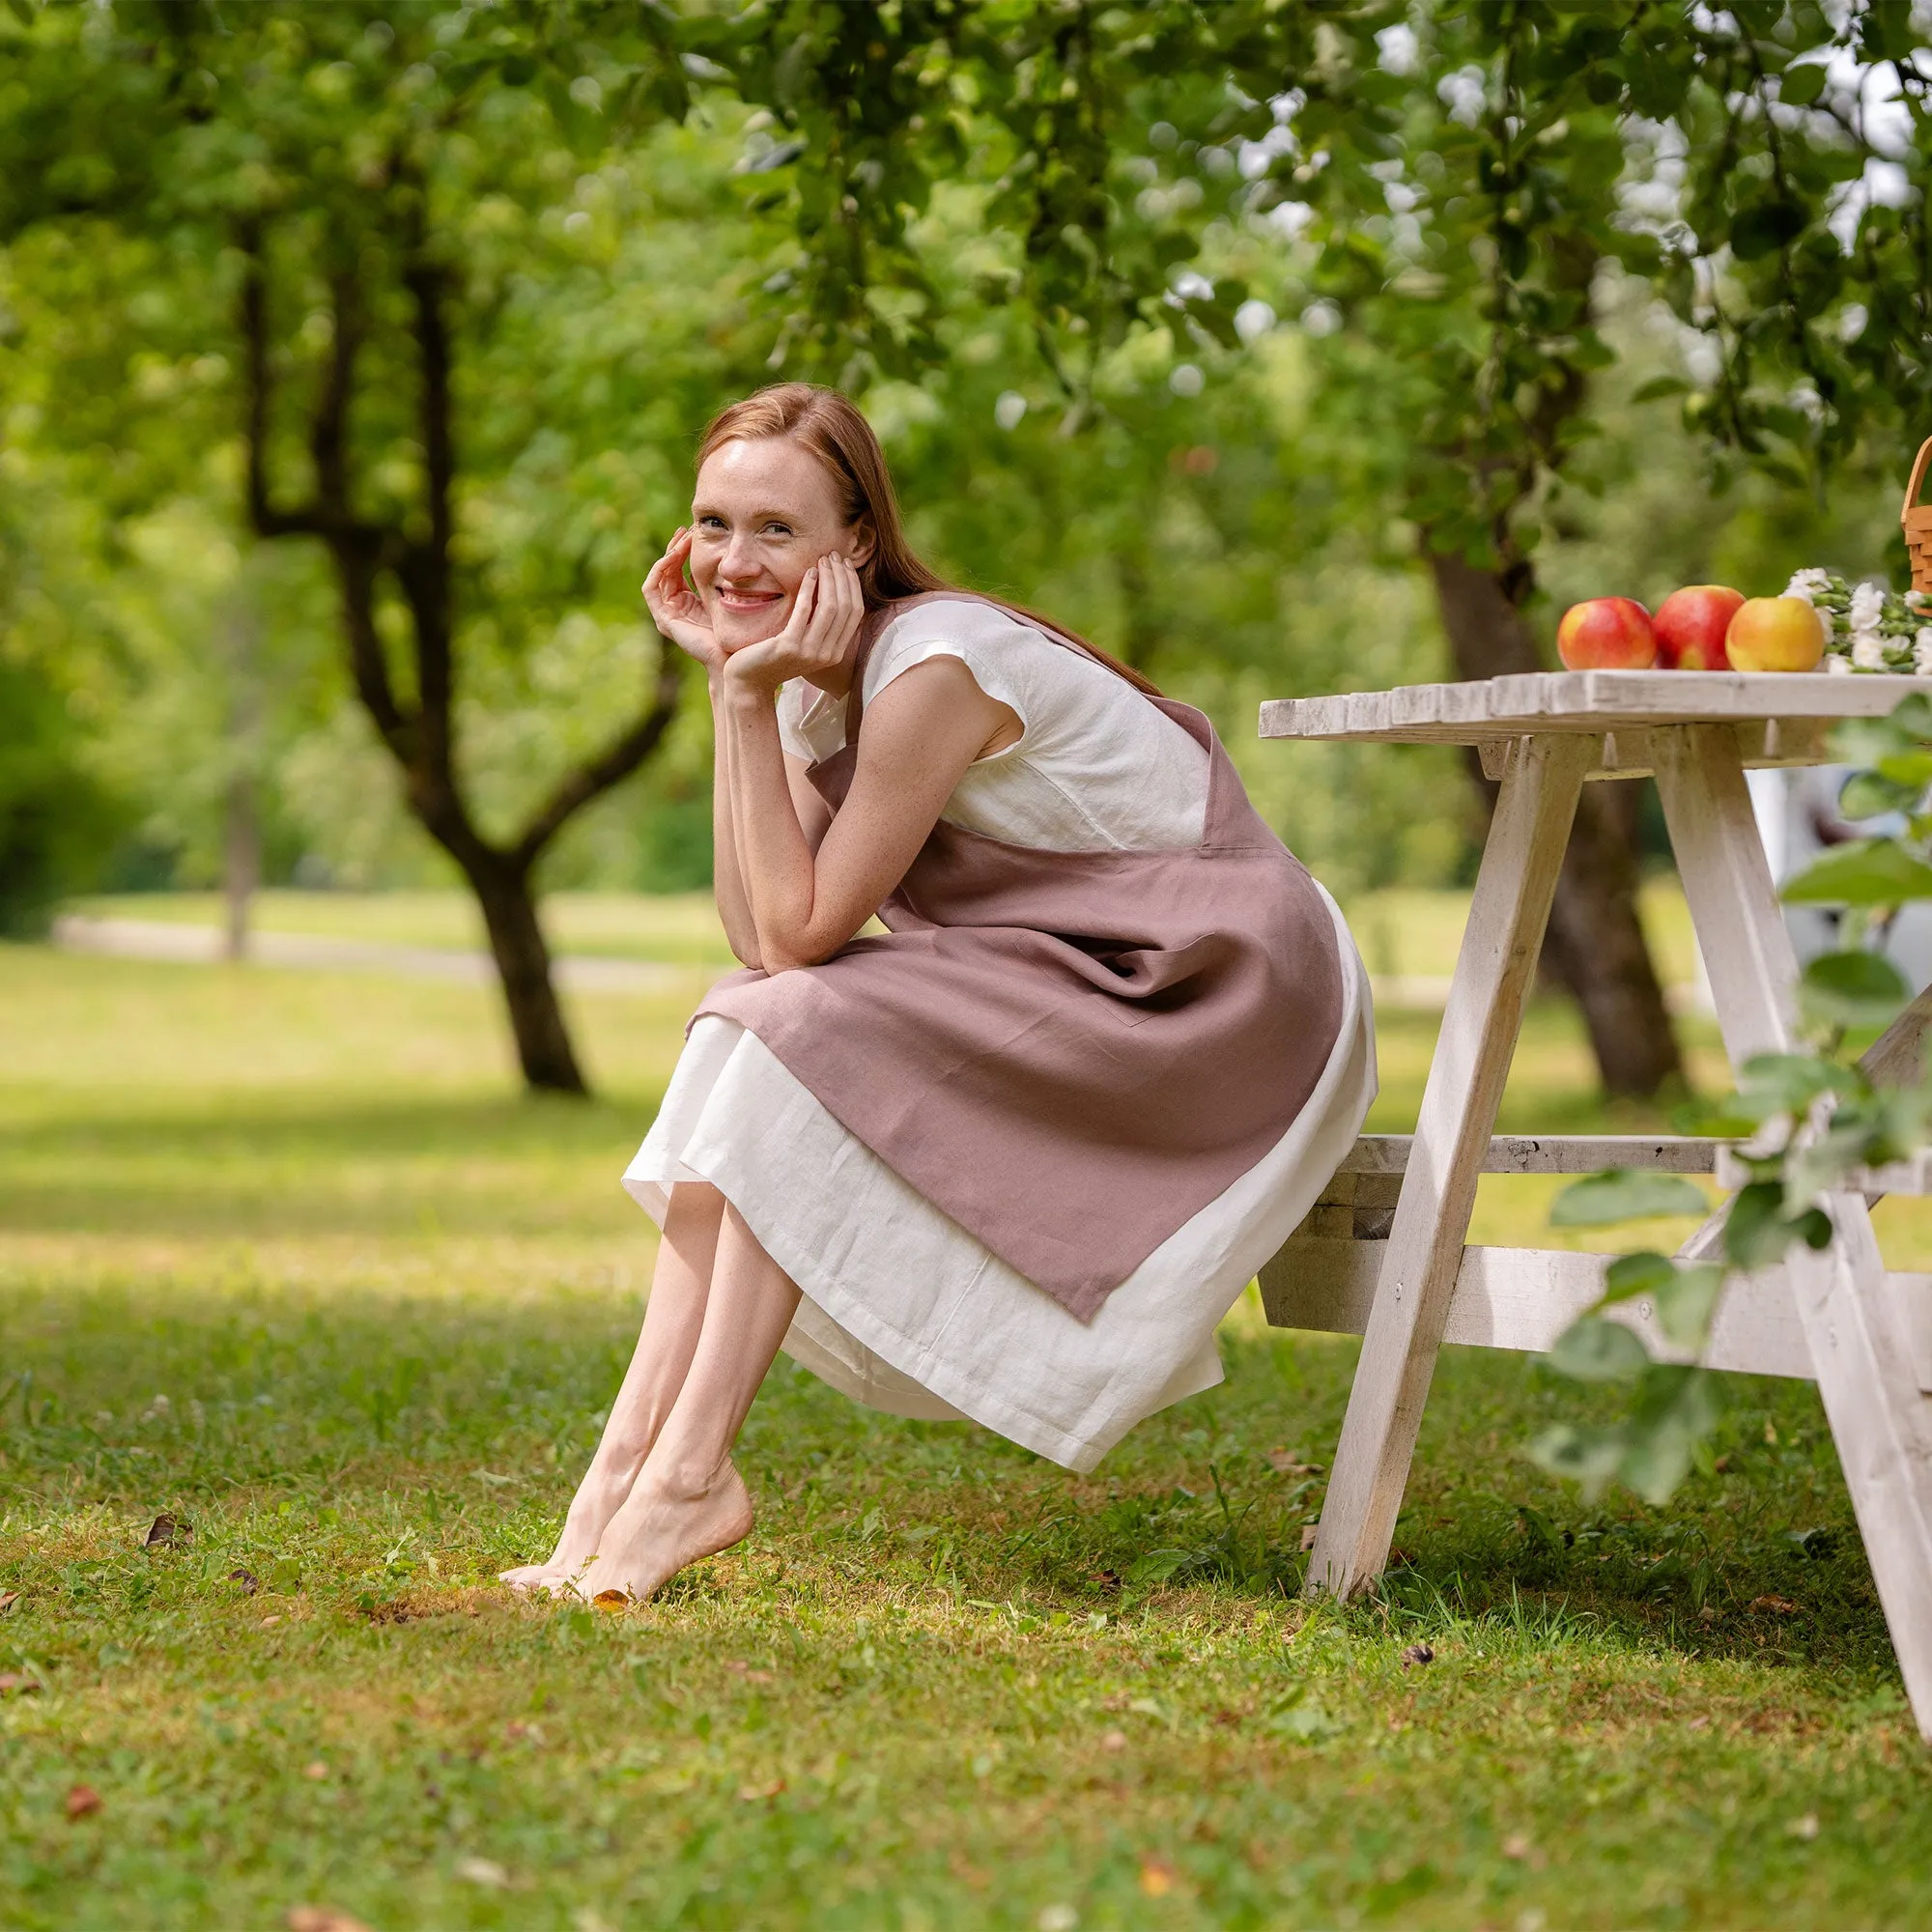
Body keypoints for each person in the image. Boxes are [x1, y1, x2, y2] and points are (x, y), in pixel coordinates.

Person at [501, 383, 1377, 1605]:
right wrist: (736, 693)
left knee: (788, 1032)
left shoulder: (933, 663)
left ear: (853, 542)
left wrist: (744, 692)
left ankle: (687, 1472)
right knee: (749, 1031)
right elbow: (758, 936)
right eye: (711, 523)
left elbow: (803, 935)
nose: (731, 560)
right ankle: (622, 1479)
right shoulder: (812, 681)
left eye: (775, 529)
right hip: (1074, 966)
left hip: (1223, 987)